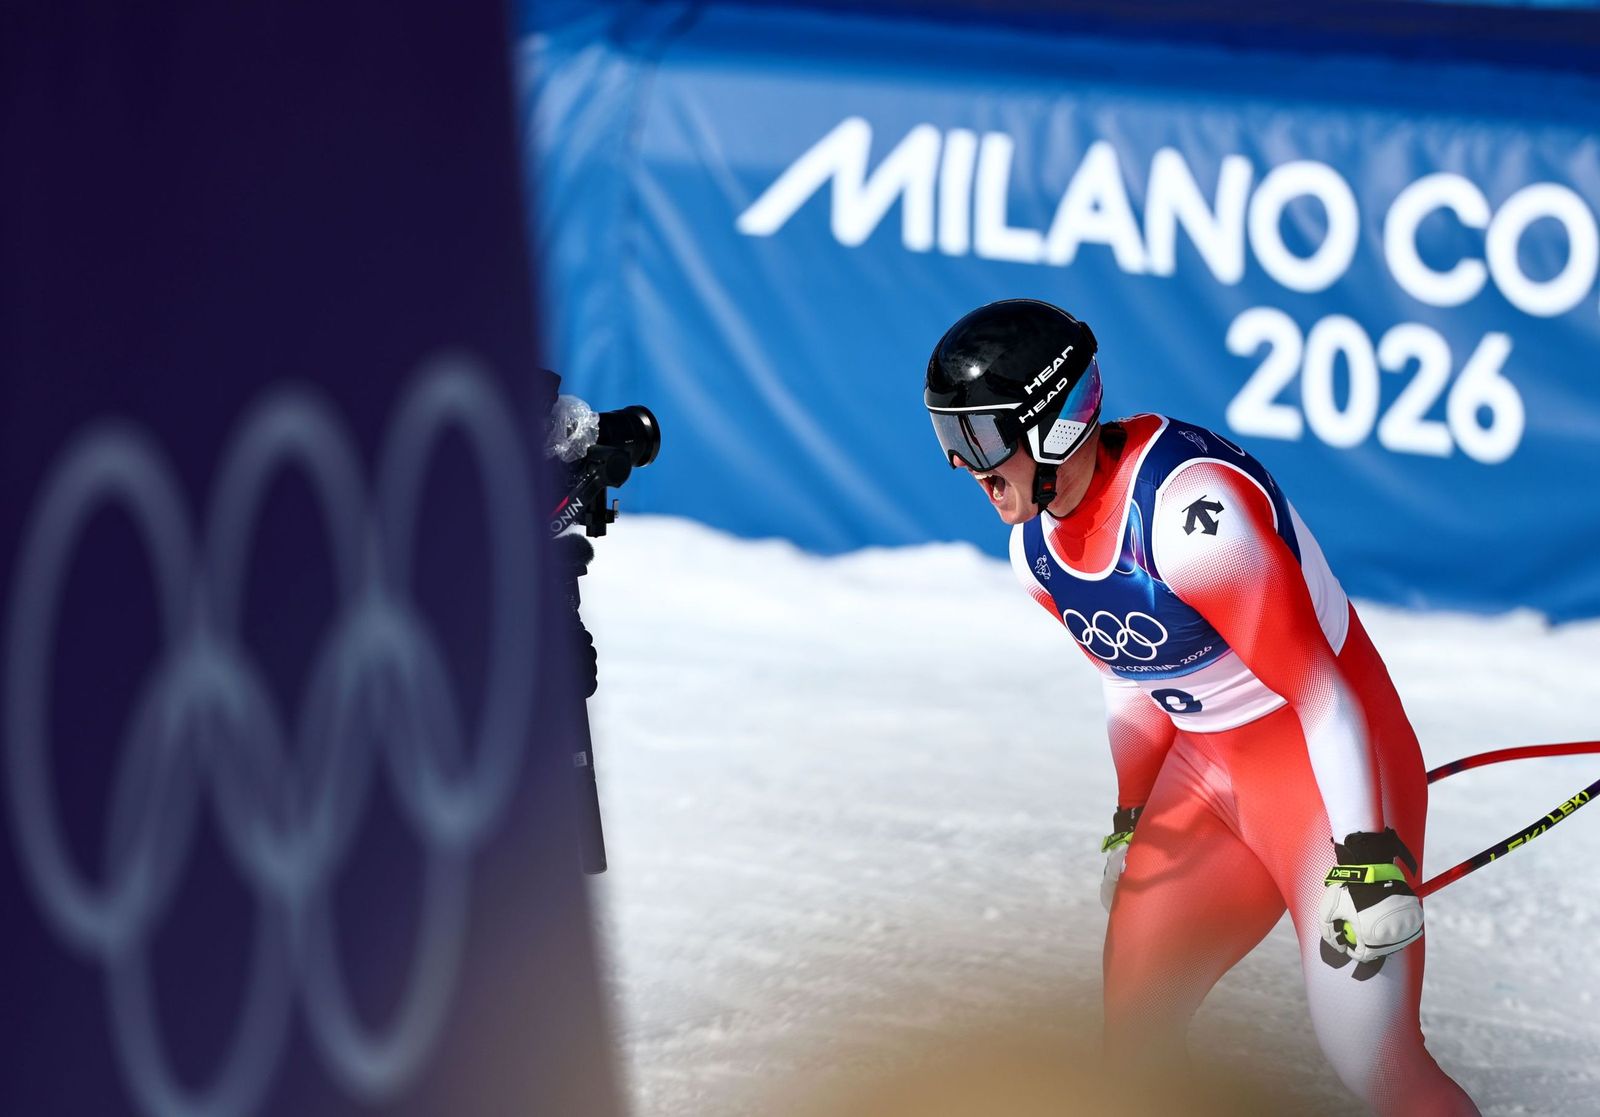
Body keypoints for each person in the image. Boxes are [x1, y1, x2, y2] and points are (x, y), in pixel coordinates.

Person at [924, 298, 1478, 1116]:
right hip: (1207, 771)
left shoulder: (1189, 522)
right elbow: (1130, 675)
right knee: (1133, 1041)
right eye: (949, 439)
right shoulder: (1034, 550)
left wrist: (1367, 855)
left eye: (978, 438)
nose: (965, 467)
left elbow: (1322, 694)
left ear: (1052, 423)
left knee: (1374, 1059)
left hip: (1325, 762)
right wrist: (1129, 817)